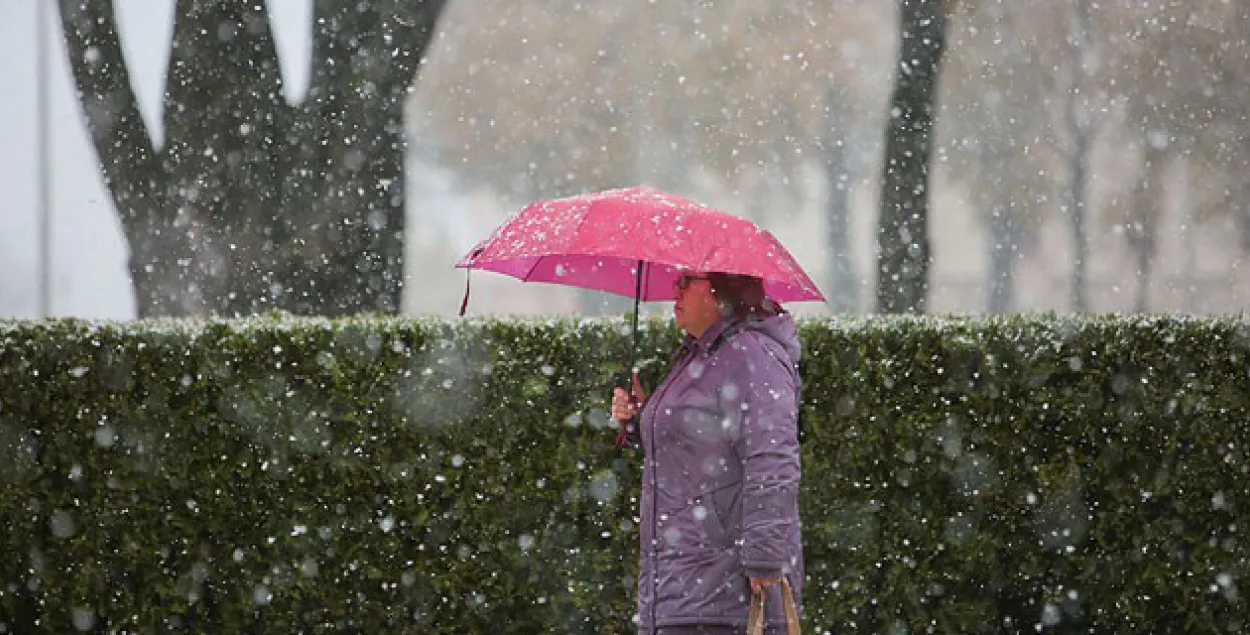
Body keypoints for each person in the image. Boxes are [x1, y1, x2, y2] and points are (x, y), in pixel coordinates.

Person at [612, 271, 804, 634]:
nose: (676, 289)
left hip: (724, 596)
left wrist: (763, 558)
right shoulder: (700, 355)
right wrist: (641, 421)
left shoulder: (752, 355)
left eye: (688, 280)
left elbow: (773, 458)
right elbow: (697, 448)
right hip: (679, 589)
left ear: (722, 290)